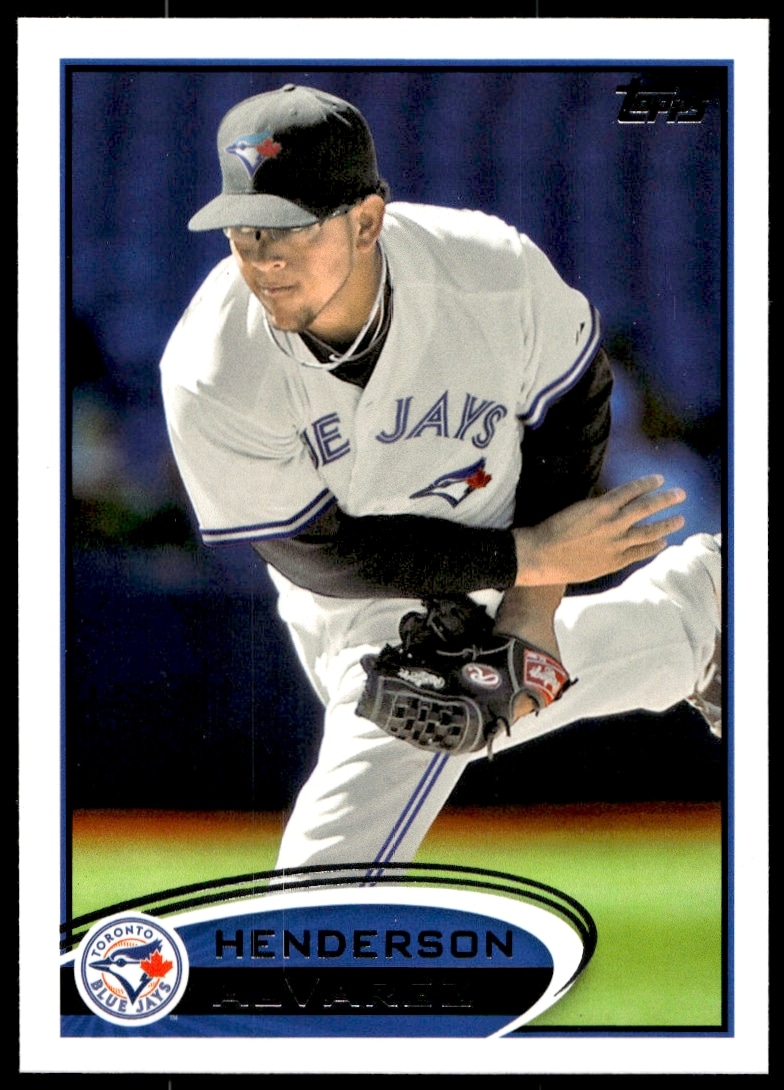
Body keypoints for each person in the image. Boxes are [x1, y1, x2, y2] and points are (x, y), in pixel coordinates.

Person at [161, 84, 721, 874]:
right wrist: (532, 560)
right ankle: (698, 614)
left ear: (367, 220)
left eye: (292, 227)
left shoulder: (487, 271)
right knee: (419, 701)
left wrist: (531, 605)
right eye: (245, 231)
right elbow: (314, 552)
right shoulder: (212, 365)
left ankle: (304, 950)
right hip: (348, 585)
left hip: (486, 527)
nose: (264, 257)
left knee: (367, 796)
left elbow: (574, 396)